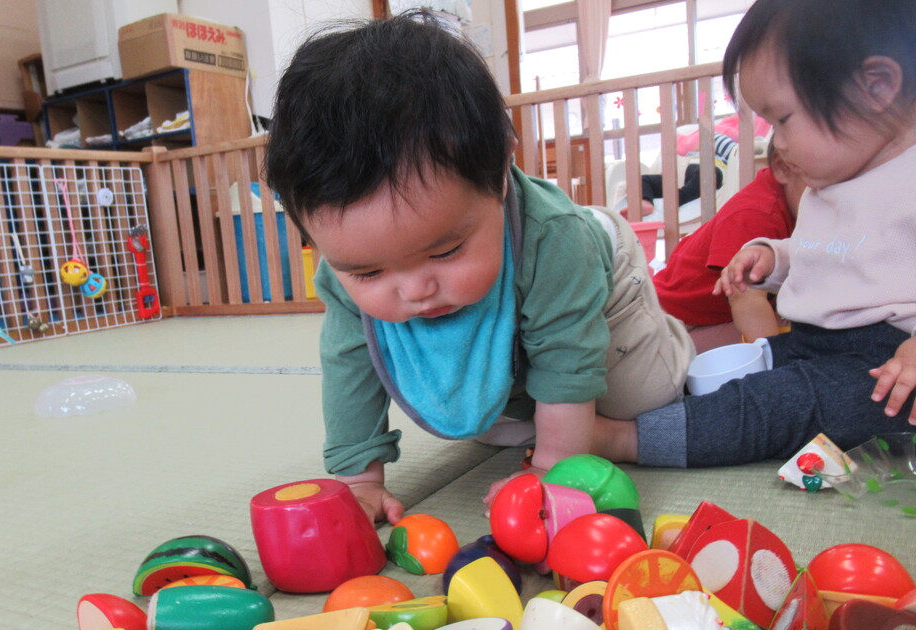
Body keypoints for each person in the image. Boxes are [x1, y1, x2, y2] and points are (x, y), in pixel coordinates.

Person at [264, 11, 695, 523]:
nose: (416, 290)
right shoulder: (343, 273)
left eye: (444, 252)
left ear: (500, 179)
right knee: (498, 423)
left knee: (642, 397)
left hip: (597, 276)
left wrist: (553, 468)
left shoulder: (554, 242)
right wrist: (359, 480)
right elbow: (350, 367)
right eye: (369, 274)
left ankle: (692, 337)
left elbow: (567, 363)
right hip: (520, 305)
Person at [593, 0, 916, 469]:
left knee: (777, 407)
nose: (776, 144)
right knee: (726, 371)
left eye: (783, 119)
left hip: (883, 367)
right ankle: (659, 414)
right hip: (810, 343)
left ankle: (623, 441)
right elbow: (830, 254)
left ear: (876, 87)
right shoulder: (833, 184)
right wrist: (774, 258)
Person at [653, 139, 808, 352]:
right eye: (825, 188)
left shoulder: (793, 201)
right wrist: (778, 370)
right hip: (675, 322)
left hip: (715, 312)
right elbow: (744, 296)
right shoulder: (757, 215)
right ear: (783, 168)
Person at [628, 134, 734, 218]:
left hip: (708, 171)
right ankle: (645, 201)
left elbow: (731, 148)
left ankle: (679, 197)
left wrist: (712, 138)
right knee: (642, 179)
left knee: (707, 173)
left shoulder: (719, 156)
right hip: (679, 176)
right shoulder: (687, 155)